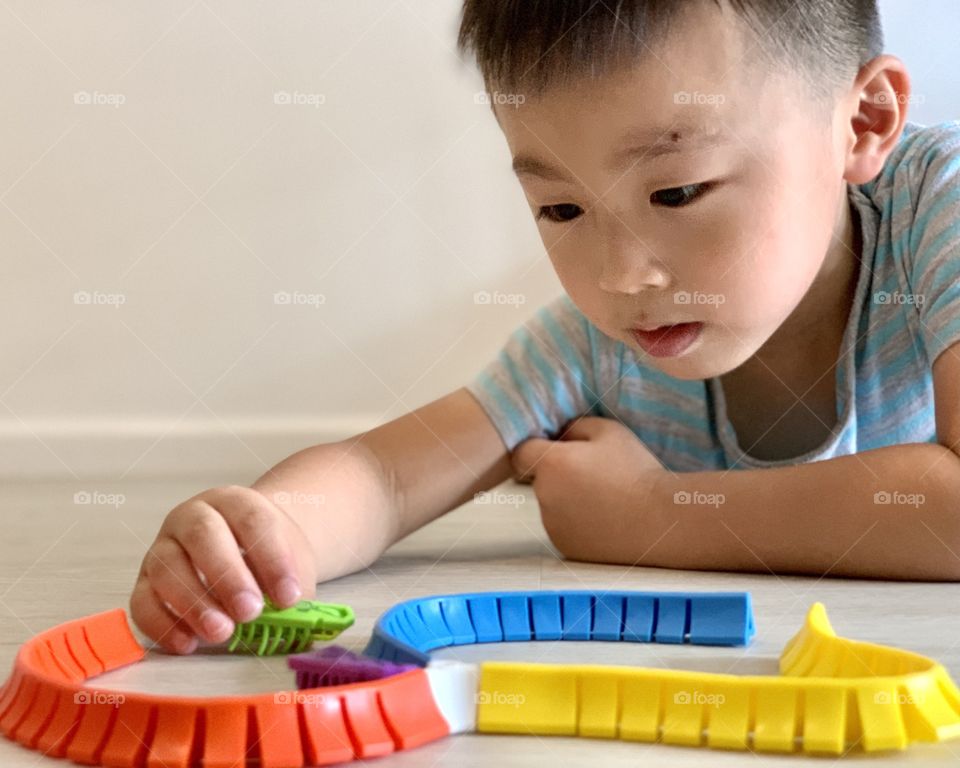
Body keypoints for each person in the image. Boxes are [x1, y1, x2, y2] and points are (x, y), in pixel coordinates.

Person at [131, 0, 960, 654]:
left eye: (675, 194)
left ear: (863, 123)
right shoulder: (592, 346)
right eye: (561, 208)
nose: (618, 276)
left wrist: (655, 516)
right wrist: (260, 532)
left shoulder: (938, 205)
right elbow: (382, 479)